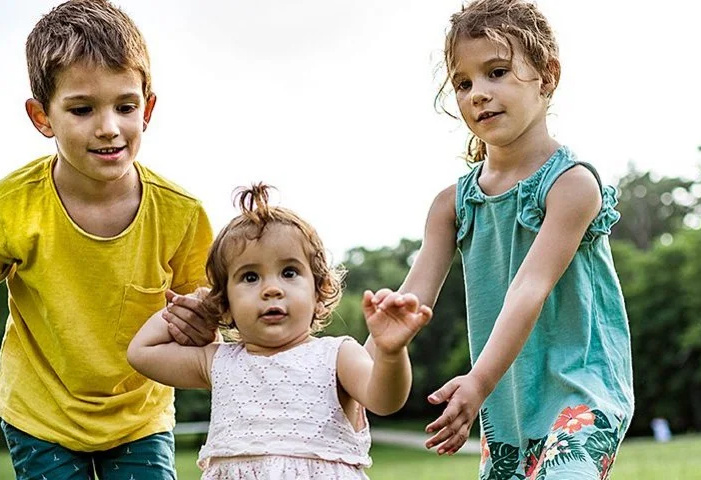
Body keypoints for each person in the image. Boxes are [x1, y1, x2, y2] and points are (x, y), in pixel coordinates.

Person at [0, 1, 216, 478]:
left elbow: (209, 316)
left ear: (148, 108)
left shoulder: (182, 214)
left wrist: (202, 327)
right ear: (43, 117)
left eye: (125, 106)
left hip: (139, 418)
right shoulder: (11, 205)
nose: (108, 127)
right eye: (82, 109)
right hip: (40, 416)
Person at [367, 0, 634, 477]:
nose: (478, 94)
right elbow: (409, 304)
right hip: (506, 413)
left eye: (497, 71)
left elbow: (528, 289)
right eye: (464, 83)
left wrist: (477, 381)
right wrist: (378, 348)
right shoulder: (450, 205)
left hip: (581, 394)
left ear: (547, 76)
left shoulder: (571, 185)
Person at [128, 184, 433, 479]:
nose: (271, 289)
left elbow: (384, 400)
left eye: (289, 272)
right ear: (225, 303)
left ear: (319, 291)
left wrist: (391, 354)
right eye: (249, 277)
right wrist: (196, 303)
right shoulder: (218, 362)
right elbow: (142, 353)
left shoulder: (336, 355)